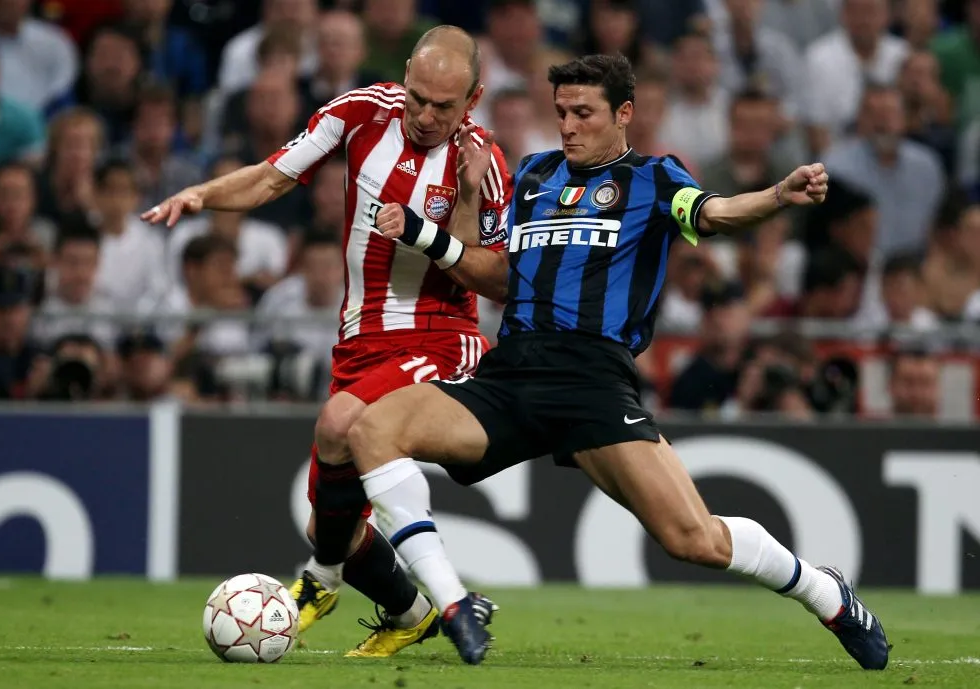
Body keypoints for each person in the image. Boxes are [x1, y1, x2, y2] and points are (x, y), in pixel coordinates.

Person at [346, 54, 890, 669]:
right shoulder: (532, 175)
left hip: (592, 381)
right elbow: (491, 272)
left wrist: (777, 195)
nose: (568, 126)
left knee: (693, 539)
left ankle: (828, 594)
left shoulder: (653, 179)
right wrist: (462, 200)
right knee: (373, 428)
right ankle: (448, 602)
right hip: (512, 374)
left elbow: (713, 213)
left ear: (623, 113)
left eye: (583, 113)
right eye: (561, 114)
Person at [142, 25, 510, 657]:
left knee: (341, 421)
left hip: (440, 335)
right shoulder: (361, 112)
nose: (424, 115)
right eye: (418, 97)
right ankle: (409, 611)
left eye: (442, 107)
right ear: (405, 76)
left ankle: (320, 581)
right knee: (330, 526)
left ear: (471, 100)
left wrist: (469, 198)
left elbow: (498, 277)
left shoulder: (484, 162)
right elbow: (271, 178)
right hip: (358, 338)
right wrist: (204, 194)